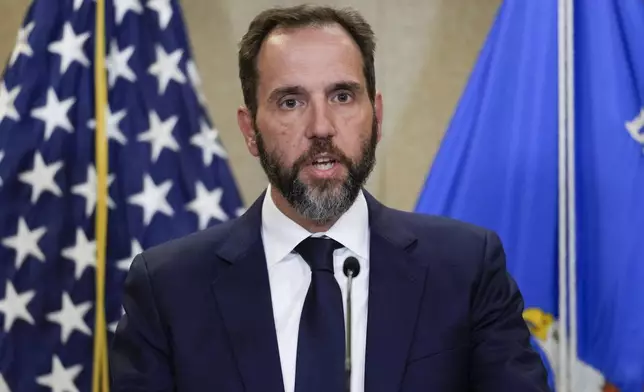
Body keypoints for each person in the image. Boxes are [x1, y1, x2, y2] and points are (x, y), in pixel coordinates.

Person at [109, 4, 551, 392]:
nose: (321, 127)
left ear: (375, 117)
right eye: (290, 102)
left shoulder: (466, 268)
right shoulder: (168, 288)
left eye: (342, 96)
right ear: (250, 130)